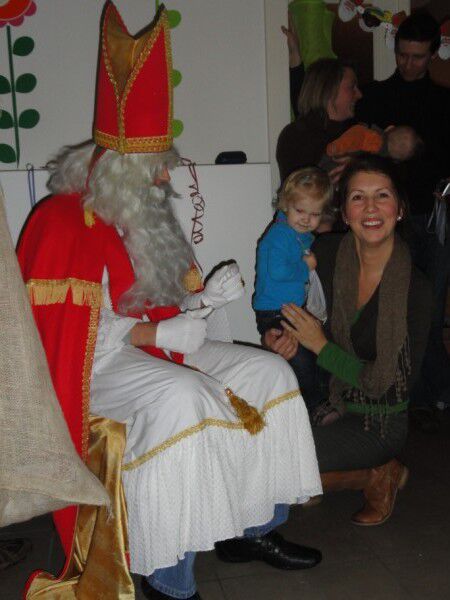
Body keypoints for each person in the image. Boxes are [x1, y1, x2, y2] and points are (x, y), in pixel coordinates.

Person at [17, 5, 322, 600]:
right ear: (116, 168)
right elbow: (65, 336)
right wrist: (151, 337)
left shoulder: (146, 213)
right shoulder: (59, 221)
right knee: (185, 399)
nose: (164, 182)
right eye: (153, 170)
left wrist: (203, 301)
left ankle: (251, 529)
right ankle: (168, 578)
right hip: (95, 368)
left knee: (269, 373)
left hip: (160, 348)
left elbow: (165, 305)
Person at [264, 153, 432, 526]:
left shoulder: (416, 290)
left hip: (377, 420)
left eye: (382, 195)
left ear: (400, 209)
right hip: (321, 399)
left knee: (277, 456)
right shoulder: (323, 254)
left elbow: (390, 385)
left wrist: (320, 346)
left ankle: (376, 472)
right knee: (255, 436)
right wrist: (276, 336)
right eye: (358, 197)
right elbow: (281, 301)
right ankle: (315, 480)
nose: (370, 207)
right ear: (343, 212)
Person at [355, 11, 450, 432]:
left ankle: (429, 394)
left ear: (433, 54)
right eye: (403, 55)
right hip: (388, 220)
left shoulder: (444, 102)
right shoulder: (375, 97)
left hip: (434, 218)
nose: (409, 63)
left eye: (418, 57)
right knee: (391, 307)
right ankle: (401, 391)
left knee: (431, 307)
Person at [253, 167, 332, 418]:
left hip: (290, 307)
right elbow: (278, 271)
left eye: (314, 214)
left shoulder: (298, 233)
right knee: (299, 356)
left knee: (313, 350)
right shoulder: (280, 235)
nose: (307, 219)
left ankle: (320, 399)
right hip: (274, 310)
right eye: (300, 211)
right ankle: (312, 407)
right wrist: (305, 266)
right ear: (286, 205)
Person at [276, 58, 362, 185]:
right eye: (351, 87)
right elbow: (302, 189)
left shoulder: (357, 132)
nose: (359, 94)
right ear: (330, 89)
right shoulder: (297, 136)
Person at [321, 123, 421, 173]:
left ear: (389, 128)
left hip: (327, 162)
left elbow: (357, 133)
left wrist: (337, 147)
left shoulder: (372, 138)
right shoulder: (380, 168)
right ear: (397, 160)